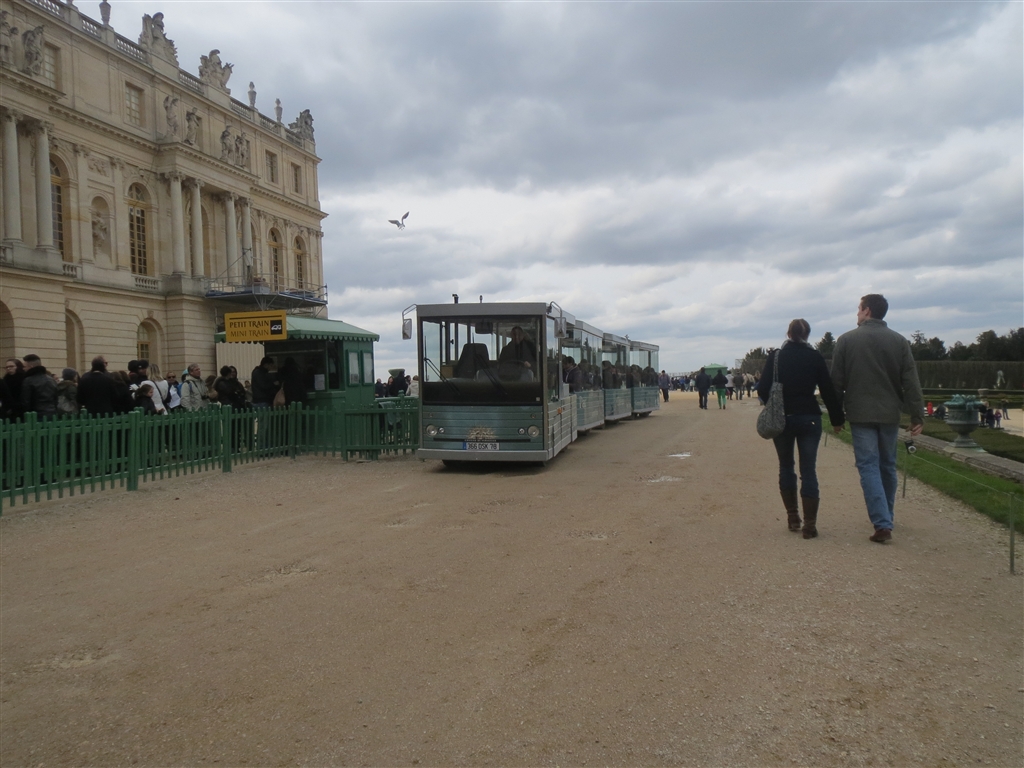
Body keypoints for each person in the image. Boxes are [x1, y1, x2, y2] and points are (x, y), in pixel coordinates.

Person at [831, 294, 924, 544]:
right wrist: (917, 414)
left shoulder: (847, 340)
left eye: (859, 309)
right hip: (890, 413)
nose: (857, 313)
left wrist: (836, 417)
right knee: (887, 465)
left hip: (860, 413)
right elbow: (910, 381)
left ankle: (882, 523)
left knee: (868, 466)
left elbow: (836, 383)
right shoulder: (899, 341)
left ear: (867, 311)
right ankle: (887, 516)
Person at [758, 319, 844, 538]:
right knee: (808, 470)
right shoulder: (814, 356)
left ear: (788, 334)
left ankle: (793, 516)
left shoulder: (776, 357)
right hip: (809, 416)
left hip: (783, 417)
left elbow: (763, 388)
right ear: (807, 335)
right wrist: (837, 419)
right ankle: (810, 525)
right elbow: (827, 390)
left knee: (786, 466)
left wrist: (773, 405)